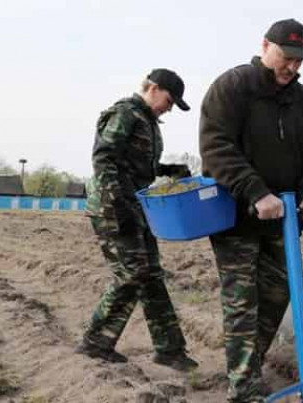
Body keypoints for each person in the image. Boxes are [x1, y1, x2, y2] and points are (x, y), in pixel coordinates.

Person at [199, 19, 303, 403]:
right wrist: (256, 192)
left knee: (277, 295)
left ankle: (247, 364)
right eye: (287, 57)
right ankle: (243, 390)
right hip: (236, 218)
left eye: (299, 61)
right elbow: (216, 147)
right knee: (243, 303)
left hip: (284, 222)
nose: (292, 67)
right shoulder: (233, 87)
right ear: (265, 46)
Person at [76, 69, 198, 371]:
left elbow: (139, 165)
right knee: (130, 275)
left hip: (136, 209)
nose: (168, 108)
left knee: (152, 275)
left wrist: (167, 169)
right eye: (169, 101)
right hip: (114, 210)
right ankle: (95, 342)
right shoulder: (125, 113)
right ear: (153, 88)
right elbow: (104, 159)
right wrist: (118, 206)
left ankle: (170, 349)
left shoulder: (148, 122)